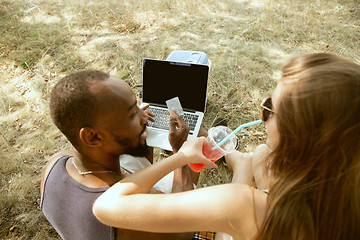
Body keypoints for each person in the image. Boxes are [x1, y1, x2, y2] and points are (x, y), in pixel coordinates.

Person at [93, 53, 360, 240]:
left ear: (296, 135)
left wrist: (181, 155)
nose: (263, 111)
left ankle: (236, 162)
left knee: (250, 162)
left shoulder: (243, 204)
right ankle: (233, 156)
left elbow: (106, 207)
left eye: (268, 109)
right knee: (262, 154)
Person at [40, 70, 197, 239]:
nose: (144, 117)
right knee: (192, 189)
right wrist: (180, 151)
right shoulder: (133, 205)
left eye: (138, 106)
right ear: (93, 137)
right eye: (132, 114)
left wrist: (134, 127)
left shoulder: (54, 164)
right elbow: (185, 230)